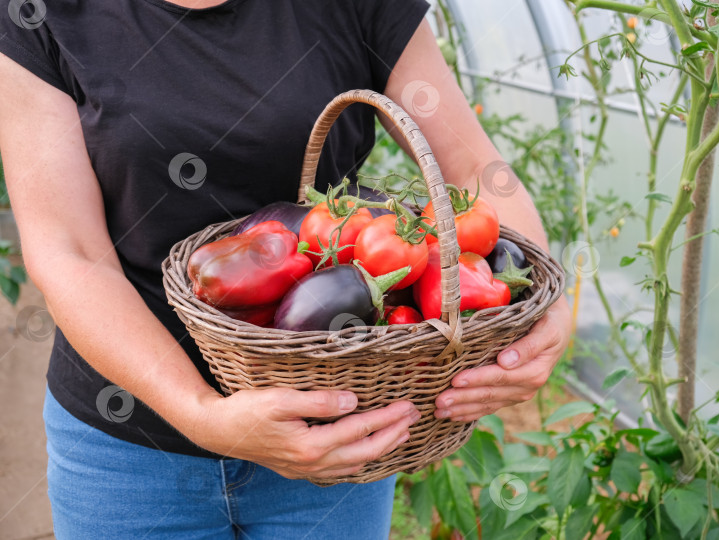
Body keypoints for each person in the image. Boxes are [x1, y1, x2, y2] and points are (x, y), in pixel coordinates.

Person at [0, 0, 571, 538]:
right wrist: (201, 413)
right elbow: (68, 251)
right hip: (128, 450)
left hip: (337, 430)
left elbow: (473, 166)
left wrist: (546, 306)